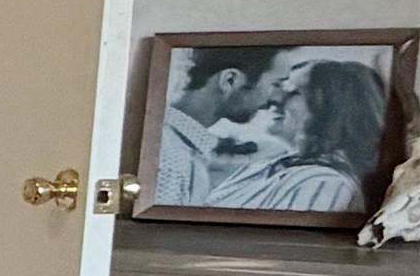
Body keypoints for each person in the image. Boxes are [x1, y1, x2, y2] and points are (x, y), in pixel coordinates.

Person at [220, 56, 390, 215]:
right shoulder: (269, 166)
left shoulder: (324, 183)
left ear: (331, 109)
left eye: (294, 93)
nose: (275, 99)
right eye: (280, 87)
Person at [155, 43, 282, 204]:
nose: (277, 98)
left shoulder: (178, 146)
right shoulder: (172, 158)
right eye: (276, 84)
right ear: (230, 80)